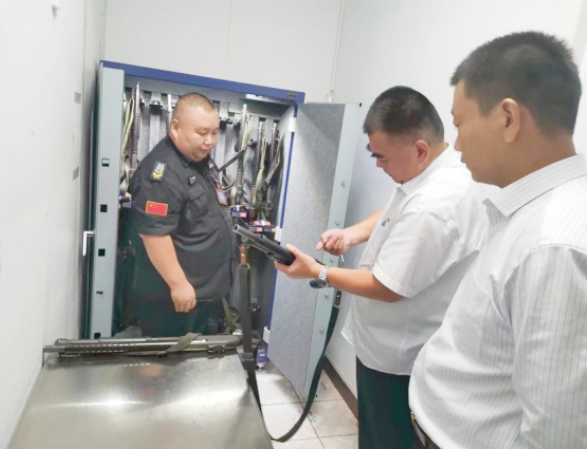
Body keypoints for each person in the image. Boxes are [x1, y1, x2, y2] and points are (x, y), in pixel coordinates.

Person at [275, 86, 488, 449]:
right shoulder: (432, 170)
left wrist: (318, 272)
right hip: (383, 347)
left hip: (397, 360)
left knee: (386, 440)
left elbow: (385, 287)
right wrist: (350, 235)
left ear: (419, 149)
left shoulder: (435, 206)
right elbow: (390, 211)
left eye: (382, 157)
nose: (377, 165)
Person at [409, 31, 587, 449]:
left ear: (508, 118)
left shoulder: (552, 244)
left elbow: (556, 436)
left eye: (459, 124)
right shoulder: (533, 213)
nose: (456, 144)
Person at [125, 93, 235, 337]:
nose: (210, 141)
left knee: (196, 358)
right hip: (174, 302)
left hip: (201, 296)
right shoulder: (161, 174)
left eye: (214, 133)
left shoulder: (198, 161)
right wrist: (178, 284)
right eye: (202, 133)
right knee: (170, 358)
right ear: (175, 128)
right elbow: (154, 235)